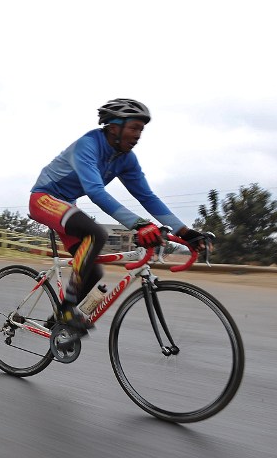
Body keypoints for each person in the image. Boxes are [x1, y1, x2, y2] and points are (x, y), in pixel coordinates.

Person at [29, 98, 207, 335]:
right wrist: (140, 224)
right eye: (134, 128)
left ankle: (57, 321)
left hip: (67, 205)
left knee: (93, 271)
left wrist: (185, 232)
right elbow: (95, 192)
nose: (138, 135)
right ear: (114, 127)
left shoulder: (126, 159)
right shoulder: (88, 145)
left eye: (141, 130)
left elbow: (147, 197)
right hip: (44, 198)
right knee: (96, 234)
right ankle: (68, 310)